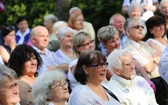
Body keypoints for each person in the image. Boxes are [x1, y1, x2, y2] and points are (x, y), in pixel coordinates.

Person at [123, 18, 168, 105]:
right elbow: (148, 68)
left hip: (162, 78)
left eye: (141, 27)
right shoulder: (129, 48)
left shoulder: (144, 44)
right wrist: (154, 58)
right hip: (153, 83)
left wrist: (152, 59)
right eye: (137, 27)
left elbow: (162, 58)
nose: (140, 29)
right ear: (128, 32)